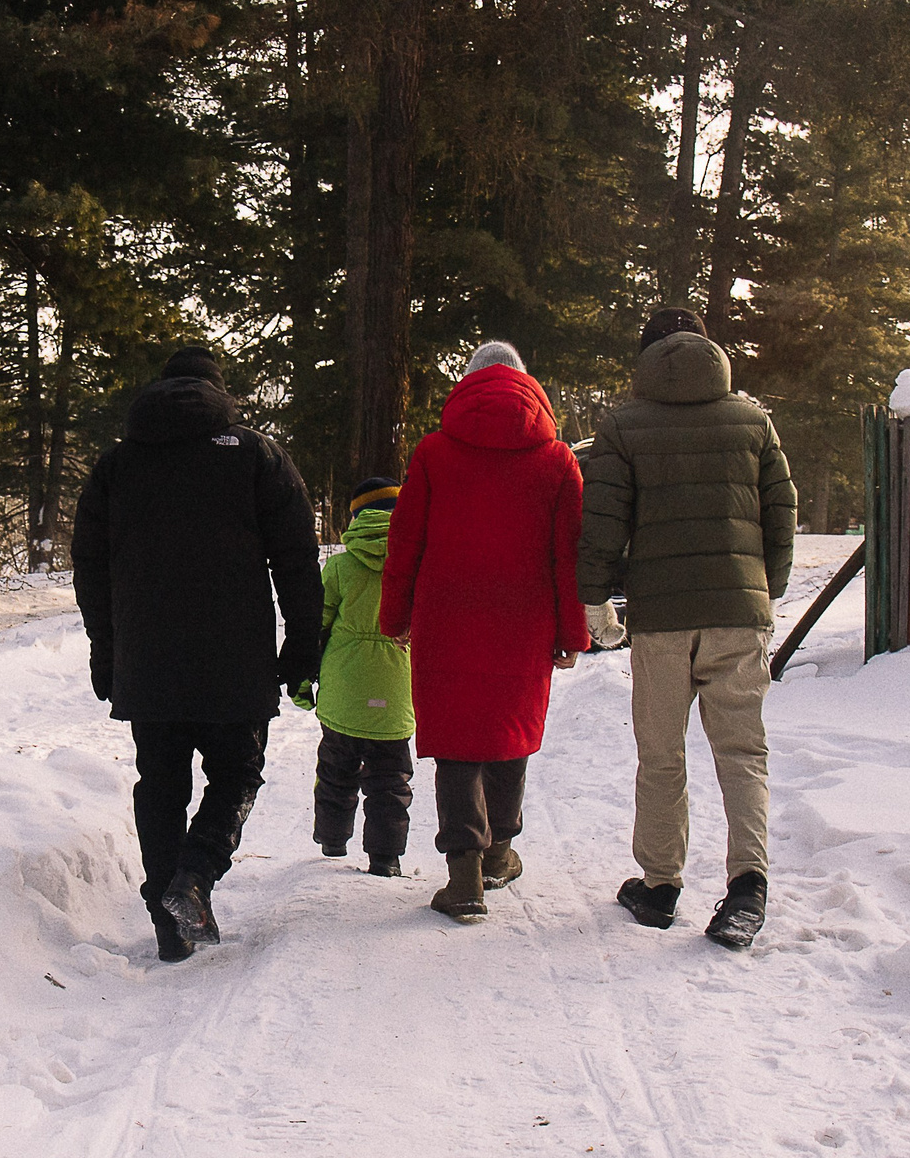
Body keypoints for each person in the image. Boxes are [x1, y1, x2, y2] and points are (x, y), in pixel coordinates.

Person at [73, 347, 323, 963]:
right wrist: (302, 645)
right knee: (236, 775)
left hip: (147, 660)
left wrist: (106, 652)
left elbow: (91, 571)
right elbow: (296, 560)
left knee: (159, 784)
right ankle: (193, 879)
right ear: (219, 393)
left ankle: (168, 920)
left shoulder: (115, 468)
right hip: (234, 661)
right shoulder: (258, 457)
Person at [578, 307, 797, 950]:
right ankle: (747, 886)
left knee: (661, 753)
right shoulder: (754, 422)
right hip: (738, 613)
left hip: (662, 620)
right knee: (742, 753)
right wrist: (768, 586)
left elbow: (604, 522)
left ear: (646, 359)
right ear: (712, 351)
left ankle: (659, 885)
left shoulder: (622, 427)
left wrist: (595, 600)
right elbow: (779, 512)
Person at [379, 341, 588, 922]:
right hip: (525, 623)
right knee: (508, 734)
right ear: (528, 386)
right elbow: (567, 556)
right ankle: (499, 853)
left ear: (467, 386)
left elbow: (406, 544)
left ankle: (464, 877)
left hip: (447, 620)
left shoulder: (433, 453)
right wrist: (572, 633)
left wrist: (395, 617)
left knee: (456, 742)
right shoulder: (557, 461)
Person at [298, 476, 413, 877]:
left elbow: (317, 626)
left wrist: (301, 680)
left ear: (357, 518)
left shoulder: (340, 566)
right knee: (390, 782)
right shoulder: (417, 563)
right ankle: (386, 858)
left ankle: (332, 840)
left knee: (335, 770)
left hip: (344, 692)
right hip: (396, 690)